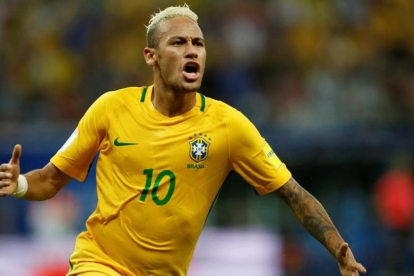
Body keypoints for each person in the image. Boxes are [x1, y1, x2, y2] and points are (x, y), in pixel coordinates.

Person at [0, 5, 366, 276]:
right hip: (99, 263)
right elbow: (50, 180)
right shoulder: (111, 108)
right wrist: (16, 183)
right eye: (178, 43)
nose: (192, 50)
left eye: (198, 43)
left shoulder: (227, 125)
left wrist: (338, 249)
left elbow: (293, 193)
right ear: (152, 57)